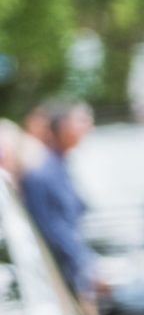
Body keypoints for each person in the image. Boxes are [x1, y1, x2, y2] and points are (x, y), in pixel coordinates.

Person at [20, 101, 96, 298]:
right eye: (81, 120)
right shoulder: (42, 174)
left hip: (73, 274)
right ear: (63, 126)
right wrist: (85, 266)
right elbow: (52, 230)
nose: (88, 126)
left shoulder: (61, 165)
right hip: (59, 281)